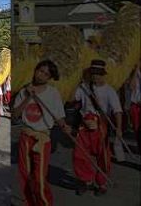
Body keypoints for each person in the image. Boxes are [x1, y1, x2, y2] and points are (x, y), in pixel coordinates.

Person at [13, 60, 70, 206]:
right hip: (26, 136)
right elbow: (15, 115)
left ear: (49, 78)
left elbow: (59, 115)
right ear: (35, 70)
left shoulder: (53, 93)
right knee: (25, 174)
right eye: (40, 71)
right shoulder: (23, 91)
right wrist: (28, 97)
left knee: (39, 178)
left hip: (42, 139)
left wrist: (64, 126)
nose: (41, 75)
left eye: (46, 74)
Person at [73, 59, 123, 196]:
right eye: (93, 73)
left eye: (98, 73)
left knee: (103, 157)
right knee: (80, 155)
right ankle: (85, 181)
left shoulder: (109, 91)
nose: (95, 76)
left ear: (103, 74)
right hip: (84, 127)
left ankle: (101, 183)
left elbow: (117, 111)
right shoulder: (83, 87)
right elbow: (74, 100)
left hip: (101, 126)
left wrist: (118, 128)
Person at [129, 59, 140, 154]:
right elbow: (131, 87)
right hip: (135, 106)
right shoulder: (135, 73)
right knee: (137, 131)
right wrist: (136, 69)